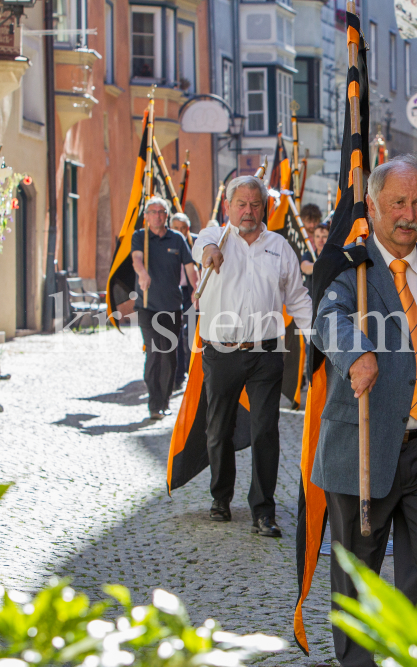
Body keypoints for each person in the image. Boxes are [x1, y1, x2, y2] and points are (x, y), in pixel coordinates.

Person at [312, 155, 417, 667]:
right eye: (397, 204)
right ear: (372, 206)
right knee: (358, 580)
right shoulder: (350, 267)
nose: (409, 215)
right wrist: (355, 353)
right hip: (364, 446)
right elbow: (328, 318)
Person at [192, 176, 312, 536]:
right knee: (219, 429)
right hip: (221, 351)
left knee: (265, 430)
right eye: (241, 204)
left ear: (265, 207)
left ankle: (263, 510)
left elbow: (299, 298)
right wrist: (209, 253)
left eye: (255, 204)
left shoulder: (279, 247)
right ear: (228, 206)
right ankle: (220, 497)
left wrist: (320, 339)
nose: (248, 210)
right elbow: (203, 245)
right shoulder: (214, 237)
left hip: (266, 351)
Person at [131, 197, 200, 420]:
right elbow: (136, 259)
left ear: (166, 215)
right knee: (154, 352)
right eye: (153, 212)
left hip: (172, 306)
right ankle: (154, 403)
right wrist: (142, 274)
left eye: (162, 212)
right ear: (147, 216)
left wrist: (196, 289)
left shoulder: (178, 239)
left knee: (169, 356)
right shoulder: (140, 237)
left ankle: (165, 400)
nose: (158, 215)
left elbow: (190, 268)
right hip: (147, 305)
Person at [169, 212, 197, 388]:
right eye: (176, 228)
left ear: (188, 228)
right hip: (173, 290)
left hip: (191, 291)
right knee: (176, 333)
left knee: (192, 331)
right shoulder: (168, 241)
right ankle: (178, 375)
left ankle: (191, 370)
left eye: (183, 228)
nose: (180, 231)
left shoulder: (195, 241)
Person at [299, 221, 330, 291]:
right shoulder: (309, 254)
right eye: (317, 236)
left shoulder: (334, 256)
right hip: (311, 299)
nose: (320, 240)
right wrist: (323, 266)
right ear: (314, 239)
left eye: (324, 237)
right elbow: (305, 267)